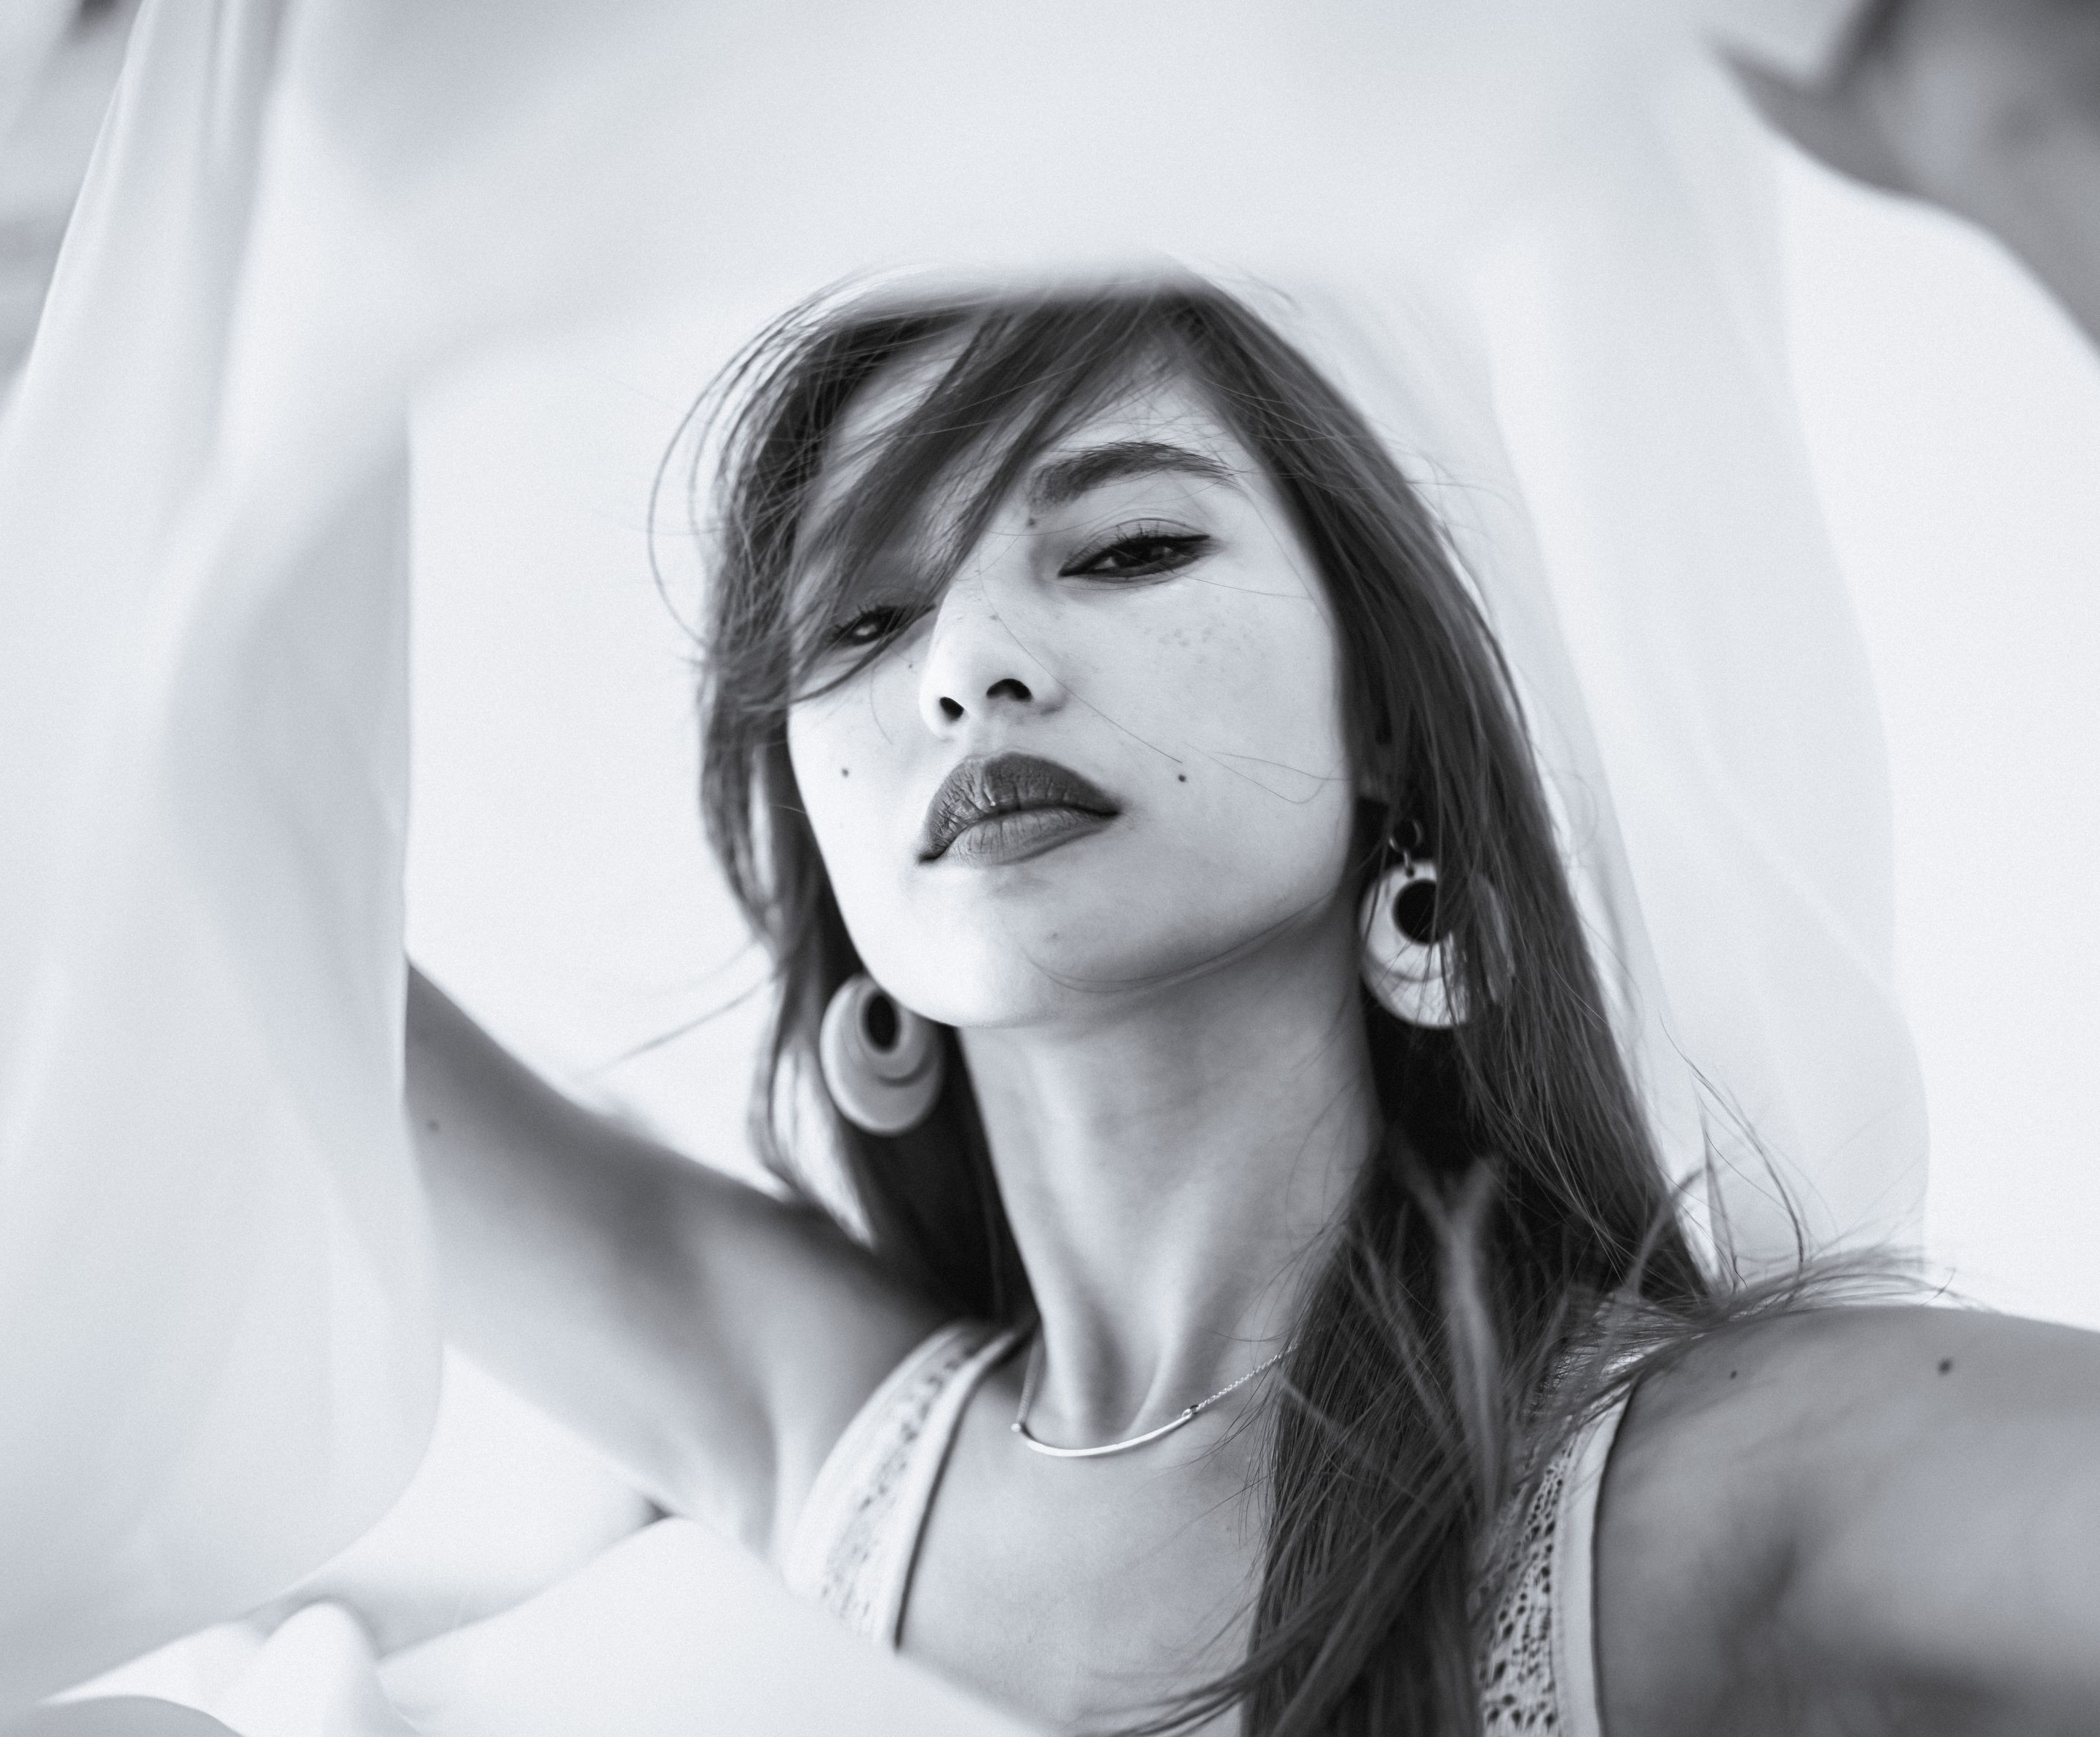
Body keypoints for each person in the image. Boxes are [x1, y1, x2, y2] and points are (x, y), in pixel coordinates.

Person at [403, 4, 2100, 1733]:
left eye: (1127, 546)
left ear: (1386, 718)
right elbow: (246, 972)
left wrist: (2020, 127)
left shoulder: (1717, 1488)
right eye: (862, 617)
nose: (966, 667)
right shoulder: (819, 1450)